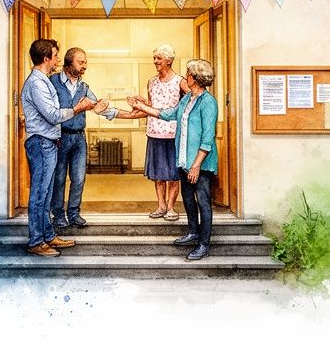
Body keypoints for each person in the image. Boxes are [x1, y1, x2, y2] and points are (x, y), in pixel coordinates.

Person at [127, 59, 217, 260]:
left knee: (203, 201)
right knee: (187, 199)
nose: (185, 77)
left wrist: (196, 166)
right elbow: (167, 114)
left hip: (200, 164)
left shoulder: (208, 102)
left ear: (195, 78)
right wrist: (141, 106)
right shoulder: (187, 100)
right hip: (185, 161)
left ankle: (204, 244)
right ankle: (193, 232)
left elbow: (207, 138)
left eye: (188, 74)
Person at [20, 38, 98, 257]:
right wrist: (77, 108)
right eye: (55, 55)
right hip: (42, 142)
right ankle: (36, 241)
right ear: (46, 58)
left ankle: (48, 235)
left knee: (45, 193)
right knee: (39, 193)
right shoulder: (38, 83)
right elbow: (54, 115)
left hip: (48, 143)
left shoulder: (43, 81)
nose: (57, 59)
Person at [49, 47, 134, 229]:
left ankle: (74, 214)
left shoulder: (84, 87)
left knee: (79, 178)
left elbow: (100, 109)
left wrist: (133, 114)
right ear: (69, 62)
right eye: (81, 62)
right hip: (59, 138)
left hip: (79, 138)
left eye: (85, 62)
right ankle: (58, 215)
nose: (85, 66)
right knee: (59, 178)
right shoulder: (52, 82)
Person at [136, 44, 189, 221]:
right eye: (154, 58)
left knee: (173, 175)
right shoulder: (151, 81)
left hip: (174, 134)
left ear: (169, 60)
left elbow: (191, 103)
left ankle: (172, 208)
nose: (155, 61)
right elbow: (150, 106)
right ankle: (161, 206)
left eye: (158, 58)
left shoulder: (181, 81)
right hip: (154, 133)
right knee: (158, 174)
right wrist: (141, 104)